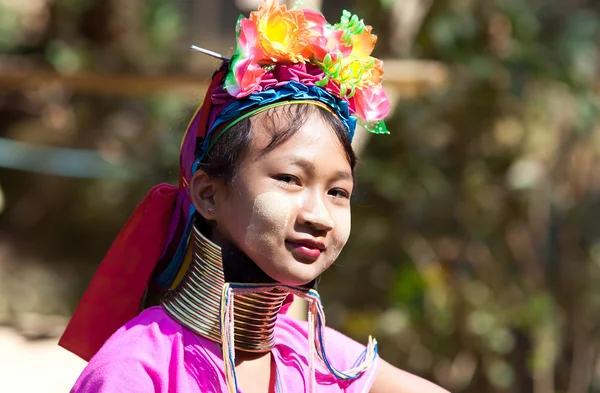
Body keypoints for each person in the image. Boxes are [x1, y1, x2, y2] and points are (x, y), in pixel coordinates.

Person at [60, 1, 449, 392]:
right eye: (290, 179)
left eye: (337, 191)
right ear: (209, 194)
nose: (319, 216)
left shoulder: (316, 359)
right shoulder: (137, 370)